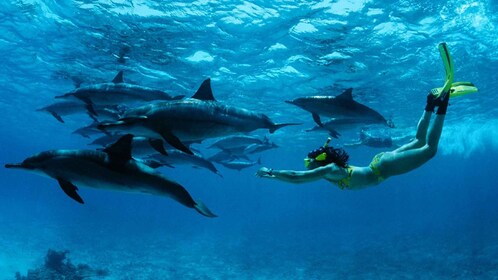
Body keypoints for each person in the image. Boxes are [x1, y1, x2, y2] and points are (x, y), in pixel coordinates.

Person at [256, 43, 478, 190]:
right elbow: (296, 176)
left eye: (309, 161)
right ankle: (430, 104)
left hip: (383, 167)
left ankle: (441, 103)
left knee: (429, 149)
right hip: (380, 164)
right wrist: (272, 175)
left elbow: (297, 178)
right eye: (308, 161)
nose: (307, 164)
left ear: (320, 162)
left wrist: (272, 172)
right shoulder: (327, 170)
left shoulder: (330, 170)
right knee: (419, 142)